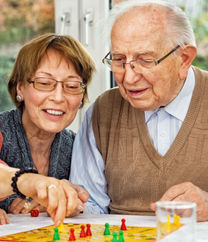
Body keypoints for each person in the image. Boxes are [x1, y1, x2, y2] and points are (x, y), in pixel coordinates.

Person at [70, 0, 208, 222]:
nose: (129, 77)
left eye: (145, 60)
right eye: (119, 59)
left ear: (184, 59)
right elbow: (88, 206)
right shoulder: (102, 111)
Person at [0, 33, 94, 226]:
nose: (59, 97)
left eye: (72, 86)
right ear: (20, 88)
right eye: (44, 83)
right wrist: (31, 183)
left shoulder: (79, 145)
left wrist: (75, 202)